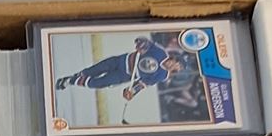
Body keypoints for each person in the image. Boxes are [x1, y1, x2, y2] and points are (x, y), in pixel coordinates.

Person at [54, 31, 187, 102]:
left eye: (178, 68)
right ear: (174, 58)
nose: (174, 66)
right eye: (176, 63)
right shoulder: (161, 52)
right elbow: (144, 41)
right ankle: (74, 78)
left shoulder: (162, 75)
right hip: (120, 61)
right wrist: (141, 44)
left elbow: (143, 83)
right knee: (92, 71)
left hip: (123, 75)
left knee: (98, 83)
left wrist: (132, 92)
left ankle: (70, 81)